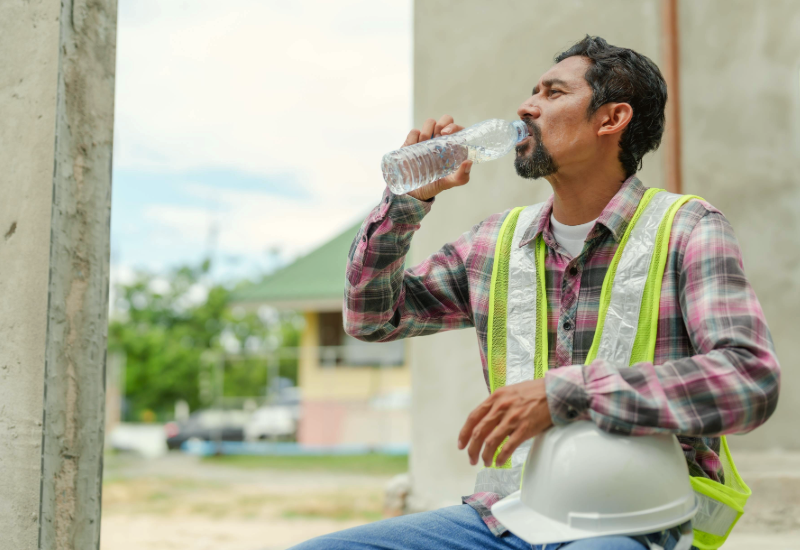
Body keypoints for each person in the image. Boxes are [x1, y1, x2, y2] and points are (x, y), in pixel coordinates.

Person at [291, 35, 780, 550]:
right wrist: (405, 203)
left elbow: (750, 380)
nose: (526, 107)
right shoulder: (493, 244)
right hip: (511, 519)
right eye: (532, 92)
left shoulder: (688, 229)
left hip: (634, 520)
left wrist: (570, 393)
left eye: (552, 93)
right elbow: (371, 318)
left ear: (611, 119)